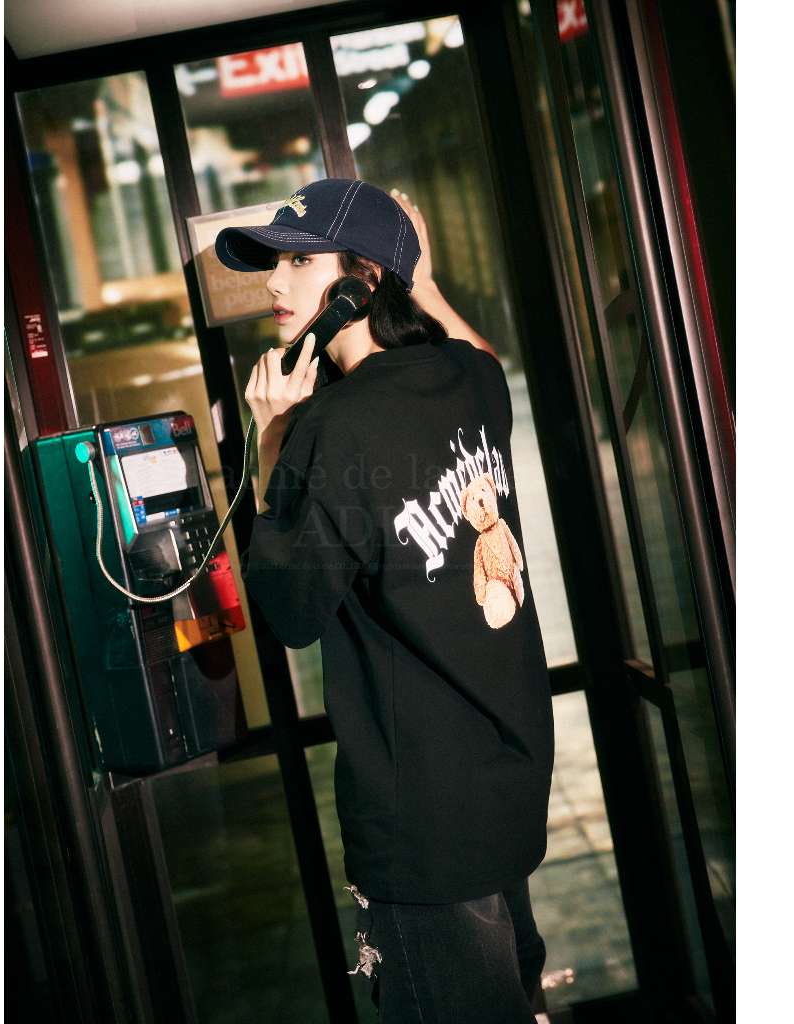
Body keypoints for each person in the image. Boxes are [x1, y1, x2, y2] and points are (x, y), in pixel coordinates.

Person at [216, 178, 553, 1023]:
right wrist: (424, 283)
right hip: (506, 784)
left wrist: (272, 438)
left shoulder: (333, 430)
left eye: (300, 262)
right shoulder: (468, 379)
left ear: (360, 281)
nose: (275, 282)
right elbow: (485, 358)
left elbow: (288, 613)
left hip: (423, 823)